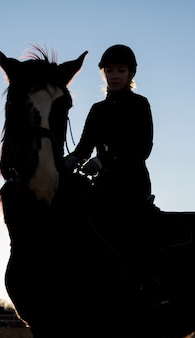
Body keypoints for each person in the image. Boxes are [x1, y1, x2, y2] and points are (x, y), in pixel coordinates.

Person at [65, 44, 165, 302]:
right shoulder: (98, 110)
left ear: (131, 73)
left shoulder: (140, 105)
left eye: (121, 70)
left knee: (131, 228)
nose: (115, 75)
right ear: (103, 74)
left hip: (132, 183)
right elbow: (84, 148)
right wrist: (68, 161)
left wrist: (104, 160)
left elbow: (143, 148)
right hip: (103, 185)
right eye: (109, 70)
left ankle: (150, 283)